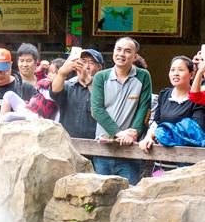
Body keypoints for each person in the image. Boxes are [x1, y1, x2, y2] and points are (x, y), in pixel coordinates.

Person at [90, 36, 152, 185]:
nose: (121, 54)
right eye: (118, 49)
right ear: (113, 52)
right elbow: (97, 110)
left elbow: (144, 108)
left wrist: (134, 132)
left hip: (129, 149)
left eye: (127, 51)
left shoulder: (143, 76)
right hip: (103, 148)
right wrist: (118, 133)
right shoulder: (100, 77)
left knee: (129, 197)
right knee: (100, 198)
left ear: (135, 56)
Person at [140, 56, 205, 152]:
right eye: (172, 70)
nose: (175, 74)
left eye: (181, 70)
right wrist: (149, 137)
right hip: (162, 153)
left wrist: (163, 134)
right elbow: (157, 121)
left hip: (188, 155)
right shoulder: (164, 94)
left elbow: (195, 129)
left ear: (191, 75)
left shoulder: (198, 100)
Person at [49, 49, 103, 138]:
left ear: (99, 68)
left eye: (91, 63)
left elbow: (101, 101)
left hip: (93, 145)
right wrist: (62, 73)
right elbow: (55, 91)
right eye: (83, 62)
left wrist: (87, 78)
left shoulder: (104, 88)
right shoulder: (68, 86)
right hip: (68, 143)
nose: (86, 66)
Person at [0, 47, 37, 119]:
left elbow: (38, 114)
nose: (0, 74)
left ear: (11, 65)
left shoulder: (26, 88)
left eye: (4, 69)